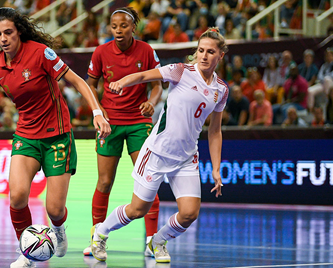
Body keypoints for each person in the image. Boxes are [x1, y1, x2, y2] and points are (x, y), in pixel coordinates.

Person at [0, 7, 111, 268]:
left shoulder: (40, 53)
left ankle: (58, 231)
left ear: (19, 31)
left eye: (8, 32)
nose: (3, 38)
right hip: (26, 136)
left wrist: (97, 113)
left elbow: (78, 81)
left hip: (58, 136)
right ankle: (28, 252)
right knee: (17, 197)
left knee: (54, 210)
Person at [89, 27, 228, 264]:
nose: (204, 56)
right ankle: (101, 233)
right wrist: (123, 81)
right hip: (157, 152)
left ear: (220, 55)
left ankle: (158, 241)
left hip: (186, 158)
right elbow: (145, 76)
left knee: (189, 213)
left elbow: (214, 131)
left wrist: (216, 168)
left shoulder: (221, 90)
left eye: (210, 52)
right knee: (137, 210)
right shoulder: (181, 71)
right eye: (201, 50)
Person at [83, 7, 163, 258]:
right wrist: (97, 111)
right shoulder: (100, 52)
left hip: (139, 122)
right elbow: (90, 84)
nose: (118, 30)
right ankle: (97, 237)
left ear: (133, 27)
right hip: (109, 123)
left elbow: (157, 84)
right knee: (105, 182)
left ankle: (153, 240)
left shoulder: (147, 51)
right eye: (114, 26)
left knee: (147, 181)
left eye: (124, 25)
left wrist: (152, 101)